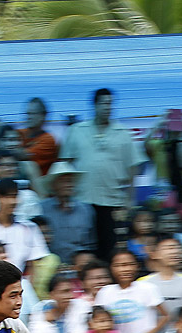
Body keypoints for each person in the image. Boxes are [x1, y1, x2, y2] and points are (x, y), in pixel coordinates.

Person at [60, 87, 147, 260]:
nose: (107, 107)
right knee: (83, 246)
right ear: (94, 105)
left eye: (110, 103)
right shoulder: (77, 130)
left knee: (110, 248)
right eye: (103, 103)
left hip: (112, 201)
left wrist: (129, 200)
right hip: (82, 200)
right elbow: (65, 166)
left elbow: (133, 169)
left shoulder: (122, 133)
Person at [95, 248, 168, 333]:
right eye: (119, 265)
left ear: (137, 266)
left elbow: (165, 316)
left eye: (130, 264)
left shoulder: (148, 288)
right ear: (111, 268)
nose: (125, 269)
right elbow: (95, 319)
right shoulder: (105, 292)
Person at [138, 235, 182, 328]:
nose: (174, 252)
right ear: (154, 254)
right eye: (168, 248)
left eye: (177, 248)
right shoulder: (143, 283)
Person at [39, 161, 95, 264]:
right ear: (53, 185)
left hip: (79, 263)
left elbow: (90, 243)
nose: (68, 185)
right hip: (50, 262)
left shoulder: (86, 210)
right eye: (63, 181)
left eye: (70, 181)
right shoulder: (42, 209)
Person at [20, 97, 58, 175]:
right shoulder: (21, 133)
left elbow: (23, 156)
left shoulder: (48, 140)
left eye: (33, 114)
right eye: (27, 113)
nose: (28, 117)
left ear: (43, 116)